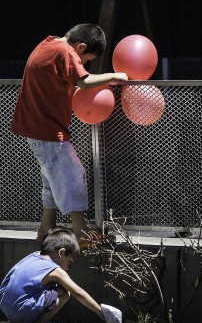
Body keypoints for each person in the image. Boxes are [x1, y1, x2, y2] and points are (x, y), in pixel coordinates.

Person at [11, 24, 128, 247]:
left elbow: (57, 82)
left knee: (52, 180)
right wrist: (115, 76)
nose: (83, 65)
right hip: (47, 131)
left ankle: (45, 229)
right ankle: (82, 233)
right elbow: (83, 80)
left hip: (35, 128)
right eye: (86, 60)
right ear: (80, 46)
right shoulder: (66, 52)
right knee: (72, 175)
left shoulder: (48, 44)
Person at [0, 227, 123, 323]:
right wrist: (101, 313)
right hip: (22, 310)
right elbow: (78, 292)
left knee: (47, 288)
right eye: (70, 262)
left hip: (4, 306)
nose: (67, 268)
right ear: (61, 253)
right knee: (64, 292)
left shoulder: (32, 256)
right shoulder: (56, 271)